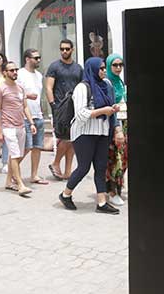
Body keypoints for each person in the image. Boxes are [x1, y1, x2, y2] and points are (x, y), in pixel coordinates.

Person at [58, 57, 123, 215]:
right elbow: (81, 114)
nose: (103, 71)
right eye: (100, 68)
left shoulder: (106, 85)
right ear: (92, 69)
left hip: (102, 131)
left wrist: (113, 110)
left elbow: (109, 105)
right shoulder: (82, 87)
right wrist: (103, 111)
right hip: (84, 133)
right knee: (83, 167)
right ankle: (65, 194)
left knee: (101, 167)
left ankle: (101, 203)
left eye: (104, 68)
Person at [0, 61, 36, 196]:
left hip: (21, 126)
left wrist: (31, 123)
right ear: (5, 73)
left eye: (16, 69)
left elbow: (25, 107)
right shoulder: (0, 89)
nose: (15, 72)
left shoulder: (20, 88)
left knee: (16, 155)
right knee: (16, 155)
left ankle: (8, 181)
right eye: (11, 70)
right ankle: (20, 184)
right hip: (8, 127)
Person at [46, 39, 83, 181]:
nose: (64, 51)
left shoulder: (78, 68)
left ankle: (68, 171)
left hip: (75, 107)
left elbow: (81, 87)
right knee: (64, 138)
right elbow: (48, 87)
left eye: (67, 49)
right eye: (62, 49)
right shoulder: (54, 66)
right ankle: (55, 163)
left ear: (72, 49)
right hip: (60, 108)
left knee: (73, 139)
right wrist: (53, 106)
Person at [17, 48, 48, 185]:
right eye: (36, 58)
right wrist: (27, 96)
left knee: (37, 147)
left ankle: (34, 175)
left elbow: (39, 96)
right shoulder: (19, 74)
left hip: (38, 115)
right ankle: (12, 172)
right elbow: (14, 93)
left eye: (39, 57)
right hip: (24, 116)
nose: (38, 60)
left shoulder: (39, 75)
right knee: (26, 147)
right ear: (27, 59)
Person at [105, 53, 128, 207]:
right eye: (115, 65)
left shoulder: (120, 81)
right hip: (115, 124)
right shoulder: (107, 83)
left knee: (124, 158)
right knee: (115, 159)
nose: (118, 68)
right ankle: (112, 191)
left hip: (124, 123)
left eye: (121, 65)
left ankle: (117, 187)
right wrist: (117, 128)